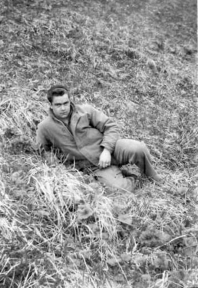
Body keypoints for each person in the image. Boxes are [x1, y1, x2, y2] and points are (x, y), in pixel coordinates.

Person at [36, 84, 162, 192]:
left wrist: (107, 150)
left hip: (110, 149)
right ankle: (131, 179)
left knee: (138, 148)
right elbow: (43, 150)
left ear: (70, 101)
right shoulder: (45, 127)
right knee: (118, 189)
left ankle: (152, 177)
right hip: (92, 165)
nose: (63, 108)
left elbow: (111, 126)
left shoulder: (85, 111)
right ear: (51, 105)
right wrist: (62, 169)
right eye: (58, 105)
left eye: (65, 103)